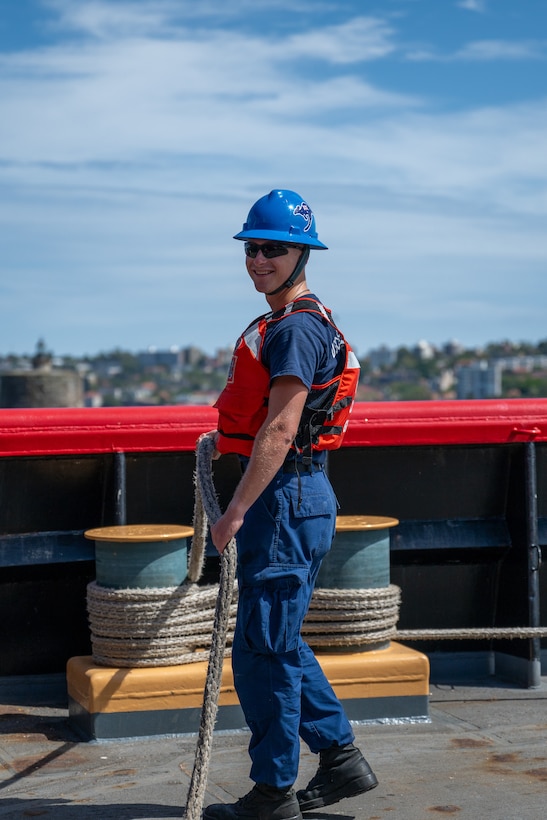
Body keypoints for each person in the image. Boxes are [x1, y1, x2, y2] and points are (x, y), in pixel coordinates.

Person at [202, 190, 378, 820]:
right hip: (296, 495)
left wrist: (235, 512)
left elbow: (279, 430)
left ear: (303, 253)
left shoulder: (298, 329)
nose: (259, 261)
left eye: (273, 249)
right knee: (271, 639)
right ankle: (341, 760)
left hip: (283, 498)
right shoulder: (295, 322)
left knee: (265, 648)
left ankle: (274, 794)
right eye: (252, 249)